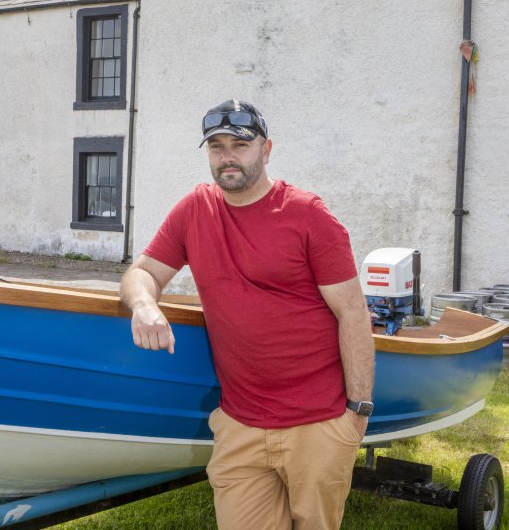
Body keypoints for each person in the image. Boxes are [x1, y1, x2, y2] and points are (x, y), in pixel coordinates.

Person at [120, 99, 375, 530]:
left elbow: (353, 313)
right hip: (240, 423)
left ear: (266, 149)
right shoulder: (194, 210)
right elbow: (142, 272)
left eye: (240, 144)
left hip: (318, 423)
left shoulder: (307, 214)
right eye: (217, 147)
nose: (228, 156)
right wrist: (145, 304)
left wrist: (357, 413)